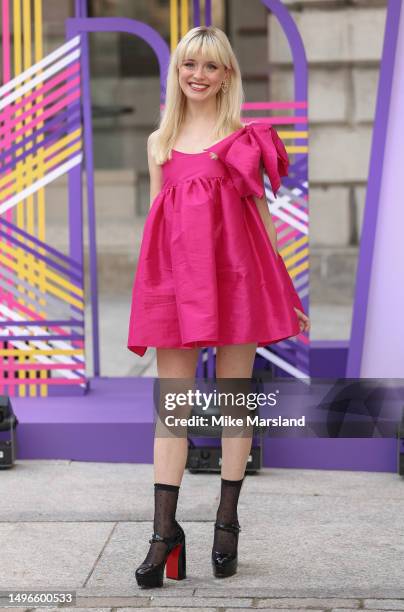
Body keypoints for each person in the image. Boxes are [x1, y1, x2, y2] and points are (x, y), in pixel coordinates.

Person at [127, 25, 310, 588]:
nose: (198, 75)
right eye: (189, 65)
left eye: (210, 66)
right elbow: (157, 224)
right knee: (172, 409)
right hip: (177, 283)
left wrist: (283, 287)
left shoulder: (242, 137)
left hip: (236, 279)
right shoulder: (160, 141)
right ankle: (165, 532)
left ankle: (226, 521)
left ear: (227, 74)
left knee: (234, 401)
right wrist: (151, 294)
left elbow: (258, 220)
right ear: (176, 71)